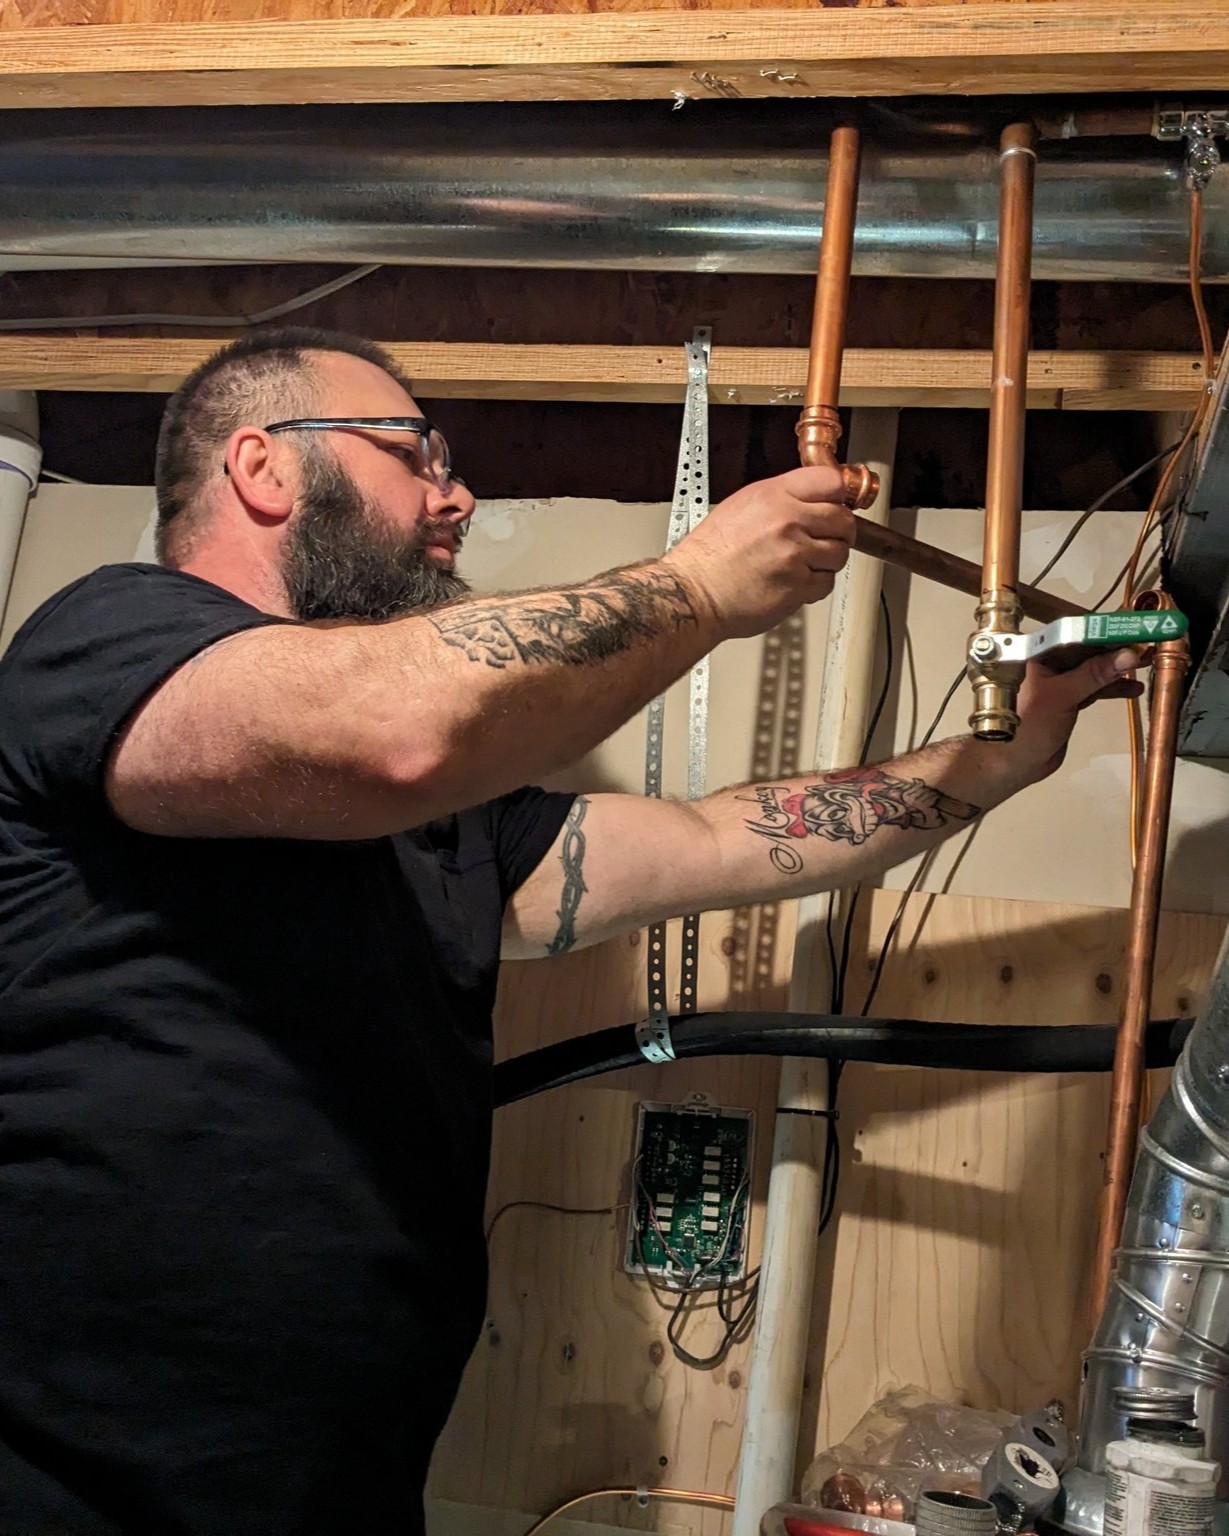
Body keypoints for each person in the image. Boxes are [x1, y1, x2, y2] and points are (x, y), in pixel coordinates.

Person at [0, 327, 1141, 1535]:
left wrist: (1004, 755)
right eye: (413, 453)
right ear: (262, 466)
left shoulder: (451, 826)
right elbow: (394, 730)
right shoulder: (110, 640)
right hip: (69, 1477)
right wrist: (700, 584)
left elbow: (722, 840)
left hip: (329, 1481)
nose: (455, 495)